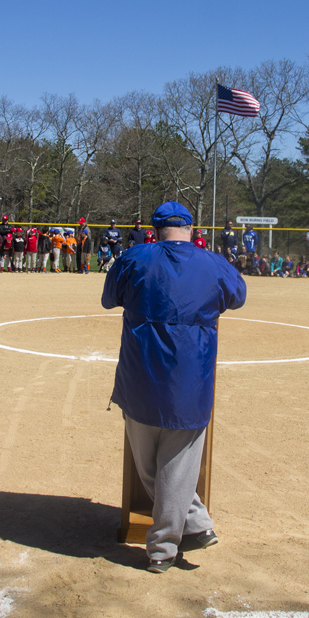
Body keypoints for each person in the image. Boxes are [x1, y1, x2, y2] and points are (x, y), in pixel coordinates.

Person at [101, 200, 246, 572]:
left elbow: (108, 299)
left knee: (151, 467)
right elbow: (238, 297)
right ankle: (192, 528)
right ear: (191, 230)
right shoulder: (212, 262)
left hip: (141, 378)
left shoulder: (136, 257)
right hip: (189, 382)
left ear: (154, 230)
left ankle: (169, 544)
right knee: (176, 469)